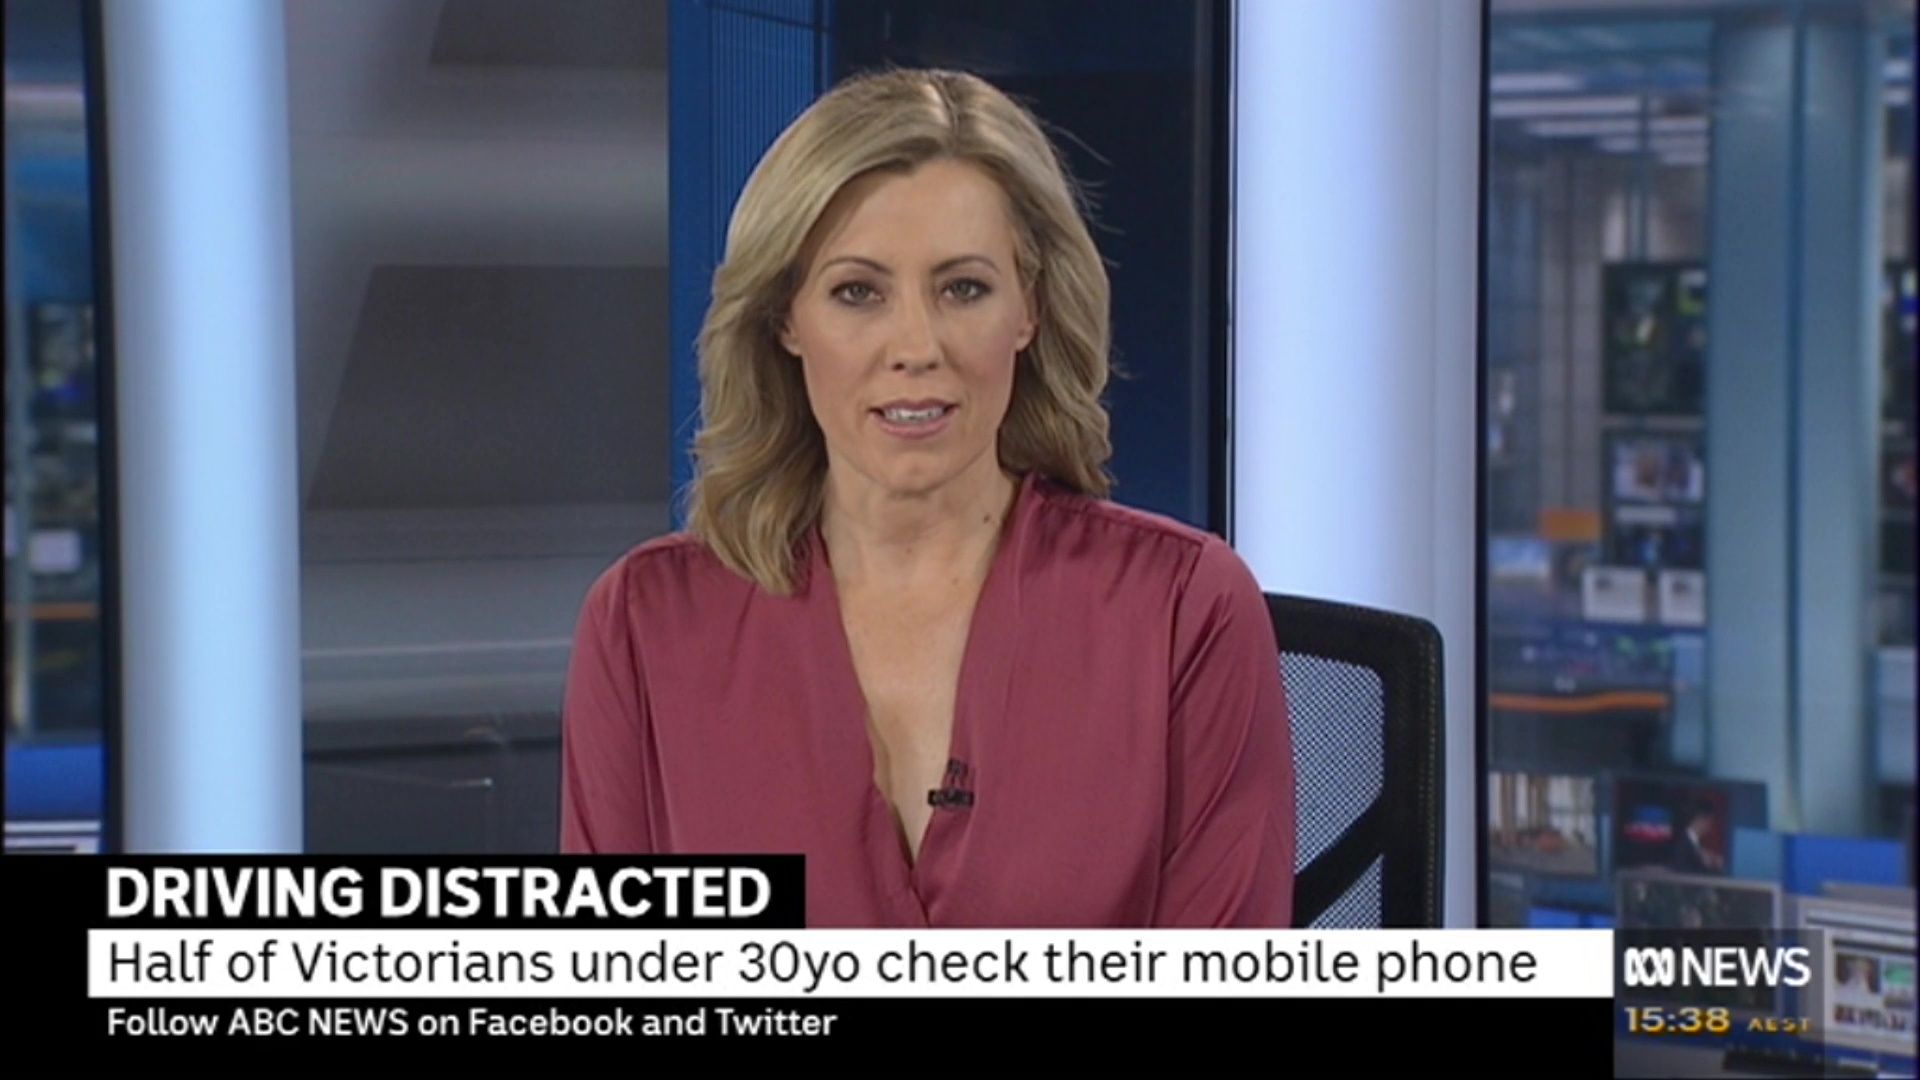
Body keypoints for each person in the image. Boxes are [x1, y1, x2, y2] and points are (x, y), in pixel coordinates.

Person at [560, 68, 1295, 928]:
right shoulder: (645, 625)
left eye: (963, 289)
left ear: (1029, 310)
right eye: (858, 293)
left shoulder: (1183, 611)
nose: (916, 346)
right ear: (785, 319)